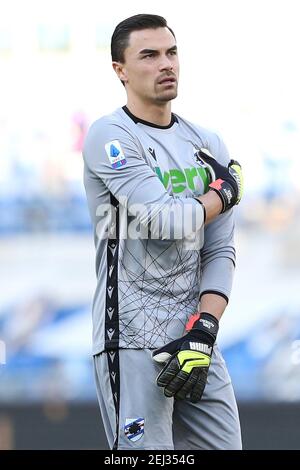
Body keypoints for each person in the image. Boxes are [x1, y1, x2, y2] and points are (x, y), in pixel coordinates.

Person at [83, 13, 243, 450]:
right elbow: (163, 221)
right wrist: (222, 196)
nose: (165, 64)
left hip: (194, 341)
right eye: (149, 55)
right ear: (120, 70)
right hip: (131, 339)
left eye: (171, 52)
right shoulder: (110, 135)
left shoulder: (208, 144)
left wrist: (205, 328)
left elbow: (220, 249)